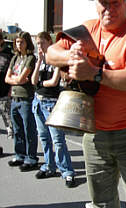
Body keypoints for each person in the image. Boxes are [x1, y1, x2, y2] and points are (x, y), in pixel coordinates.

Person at [46, 0, 126, 208]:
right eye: (104, 2)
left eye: (115, 2)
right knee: (102, 203)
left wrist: (93, 73)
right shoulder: (86, 29)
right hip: (93, 133)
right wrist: (72, 57)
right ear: (95, 4)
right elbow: (50, 54)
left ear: (125, 3)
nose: (109, 8)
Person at [31, 31, 76, 187]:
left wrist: (40, 84)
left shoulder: (55, 59)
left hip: (51, 103)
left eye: (42, 43)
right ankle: (49, 166)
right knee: (44, 137)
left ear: (49, 43)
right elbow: (33, 80)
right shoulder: (40, 60)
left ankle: (67, 172)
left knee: (58, 140)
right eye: (37, 43)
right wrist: (38, 63)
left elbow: (53, 81)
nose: (40, 46)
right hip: (38, 102)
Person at [5, 31, 39, 171]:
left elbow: (21, 78)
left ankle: (31, 158)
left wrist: (16, 79)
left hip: (26, 99)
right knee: (17, 129)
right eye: (17, 42)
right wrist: (16, 79)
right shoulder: (15, 58)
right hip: (14, 98)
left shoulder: (30, 58)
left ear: (27, 43)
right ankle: (20, 155)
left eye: (22, 42)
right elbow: (7, 78)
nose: (19, 44)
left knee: (28, 129)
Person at [0, 32, 14, 138]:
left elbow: (14, 73)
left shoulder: (9, 55)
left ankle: (19, 151)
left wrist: (11, 90)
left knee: (10, 126)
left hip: (5, 94)